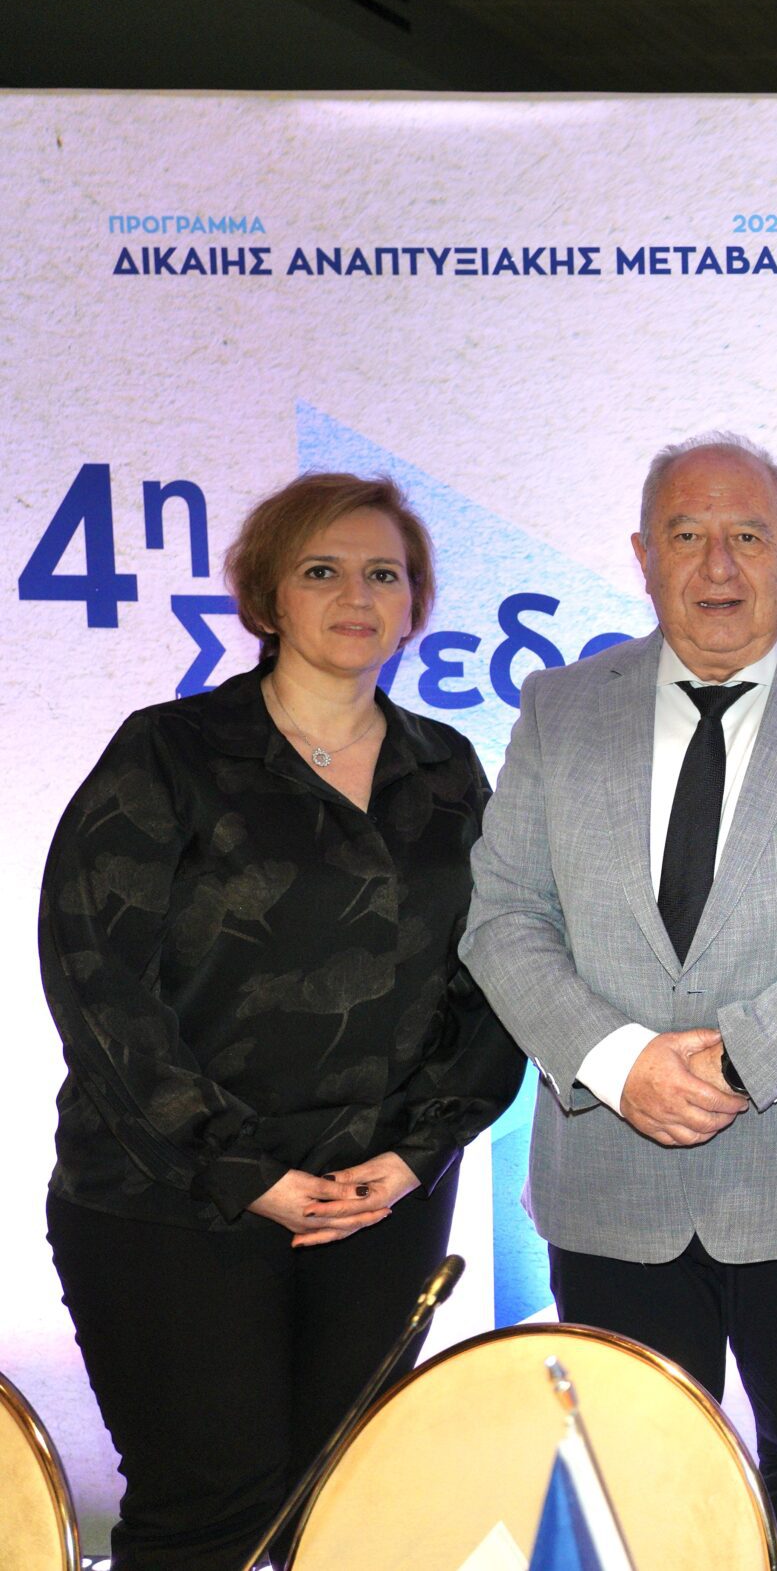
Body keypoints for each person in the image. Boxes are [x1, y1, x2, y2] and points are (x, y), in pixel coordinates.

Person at [462, 433, 777, 1570]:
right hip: (611, 1170)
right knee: (627, 1468)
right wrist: (617, 1063)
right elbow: (504, 916)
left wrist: (735, 1063)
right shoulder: (560, 706)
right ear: (643, 555)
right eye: (687, 535)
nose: (718, 565)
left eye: (747, 536)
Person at [38, 473, 524, 1571]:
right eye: (322, 571)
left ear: (414, 602)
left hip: (374, 1205)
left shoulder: (448, 770)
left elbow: (498, 970)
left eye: (383, 573)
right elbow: (98, 982)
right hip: (172, 1202)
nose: (356, 595)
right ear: (266, 597)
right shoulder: (170, 752)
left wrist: (419, 1152)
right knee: (210, 1514)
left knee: (345, 1515)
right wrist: (240, 1167)